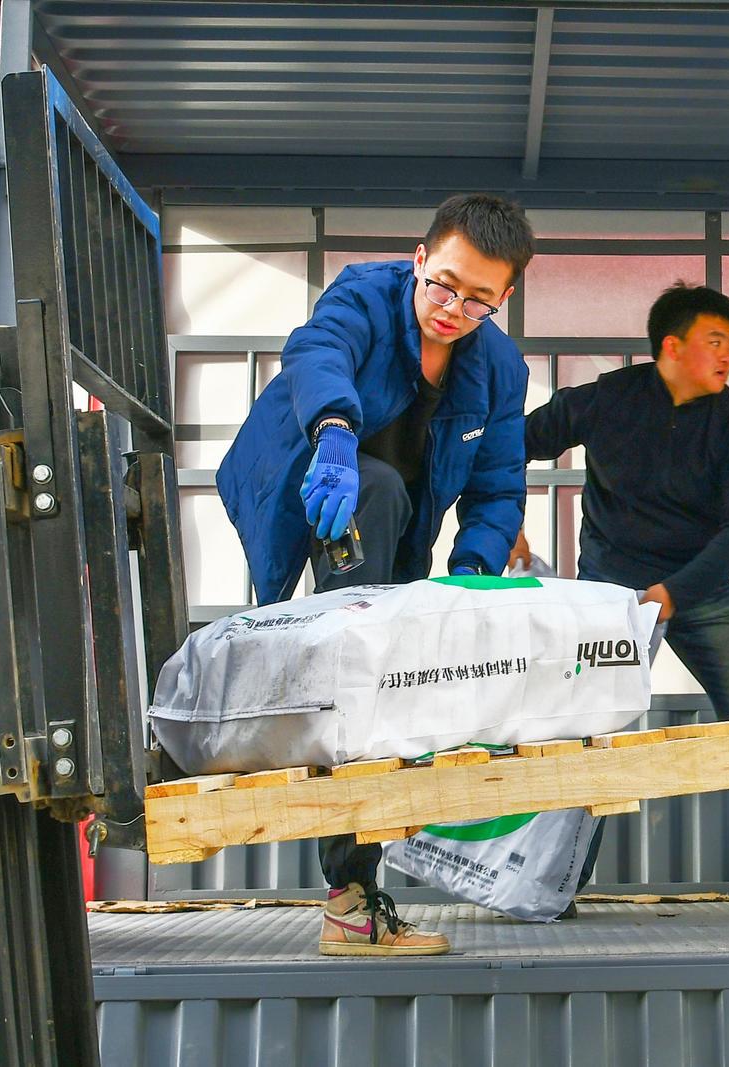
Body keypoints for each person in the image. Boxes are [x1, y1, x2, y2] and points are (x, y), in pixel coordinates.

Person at [216, 193, 536, 956]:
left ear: (505, 295)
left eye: (479, 299)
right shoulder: (364, 291)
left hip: (396, 528)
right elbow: (318, 349)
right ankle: (350, 893)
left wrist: (472, 573)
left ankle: (353, 896)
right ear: (419, 259)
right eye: (443, 285)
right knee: (359, 676)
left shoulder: (500, 369)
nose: (454, 309)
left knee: (387, 677)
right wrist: (333, 430)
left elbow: (497, 489)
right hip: (308, 481)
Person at [515, 283, 729, 914]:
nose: (727, 355)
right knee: (589, 731)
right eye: (715, 341)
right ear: (672, 347)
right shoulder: (608, 399)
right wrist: (504, 525)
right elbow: (509, 444)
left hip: (699, 589)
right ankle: (553, 880)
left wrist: (676, 592)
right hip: (610, 591)